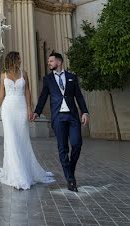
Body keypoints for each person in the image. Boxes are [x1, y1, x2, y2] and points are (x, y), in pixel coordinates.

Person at [0, 51, 55, 189]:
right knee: (11, 140)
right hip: (8, 109)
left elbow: (27, 92)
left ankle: (25, 169)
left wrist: (30, 109)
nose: (20, 60)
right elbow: (1, 94)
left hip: (21, 109)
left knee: (22, 139)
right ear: (13, 60)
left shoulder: (24, 74)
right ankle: (16, 175)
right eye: (18, 58)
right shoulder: (3, 75)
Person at [33, 51, 89, 192]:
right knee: (63, 148)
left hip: (72, 116)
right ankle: (70, 179)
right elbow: (43, 97)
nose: (48, 63)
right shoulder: (48, 79)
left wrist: (85, 112)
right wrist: (36, 112)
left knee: (77, 144)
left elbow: (79, 96)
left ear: (59, 62)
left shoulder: (72, 77)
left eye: (51, 61)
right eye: (48, 61)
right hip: (58, 117)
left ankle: (70, 169)